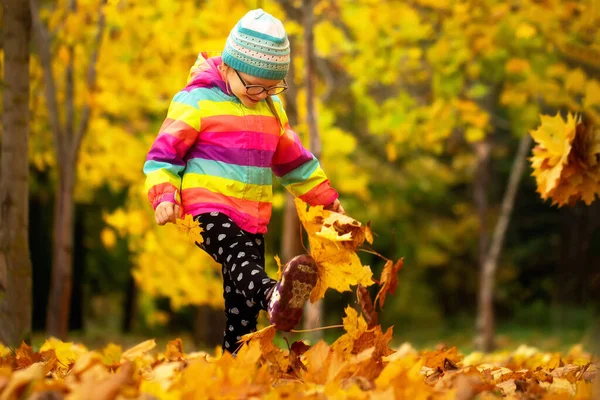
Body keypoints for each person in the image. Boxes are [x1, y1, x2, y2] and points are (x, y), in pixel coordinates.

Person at [143, 9, 344, 353]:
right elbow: (164, 153)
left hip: (253, 218)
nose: (259, 93)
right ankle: (272, 294)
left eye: (270, 87)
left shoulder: (271, 110)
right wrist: (164, 196)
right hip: (207, 209)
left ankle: (239, 361)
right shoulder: (197, 100)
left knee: (241, 304)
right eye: (251, 84)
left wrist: (325, 200)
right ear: (225, 68)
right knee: (239, 261)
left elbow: (294, 162)